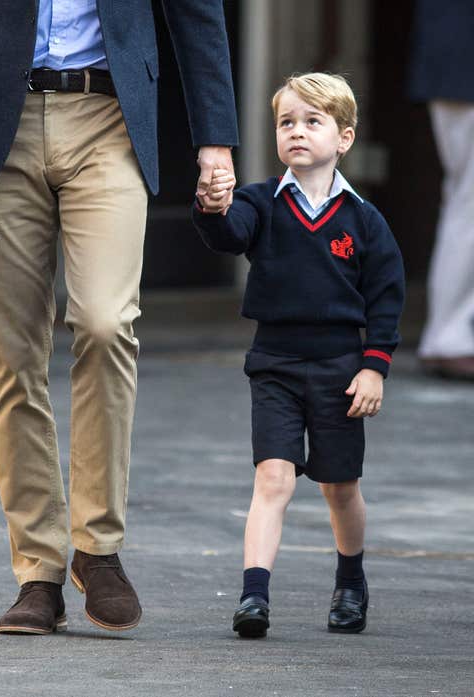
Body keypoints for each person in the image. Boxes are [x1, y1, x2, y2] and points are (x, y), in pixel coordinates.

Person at [0, 1, 238, 634]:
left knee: (108, 322)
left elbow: (198, 11)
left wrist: (214, 140)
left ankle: (98, 547)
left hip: (110, 115)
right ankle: (38, 572)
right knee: (14, 351)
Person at [193, 73, 405, 638]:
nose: (297, 132)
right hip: (276, 364)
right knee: (273, 479)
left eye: (313, 122)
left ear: (345, 138)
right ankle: (254, 596)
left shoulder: (364, 220)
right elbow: (230, 234)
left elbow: (386, 298)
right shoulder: (261, 201)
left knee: (340, 487)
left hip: (341, 369)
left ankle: (351, 581)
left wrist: (374, 366)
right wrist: (213, 206)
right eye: (287, 121)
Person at [408, 0, 474, 380]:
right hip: (463, 64)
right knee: (467, 201)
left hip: (454, 63)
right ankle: (451, 337)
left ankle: (449, 334)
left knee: (463, 199)